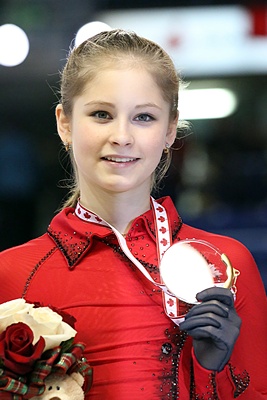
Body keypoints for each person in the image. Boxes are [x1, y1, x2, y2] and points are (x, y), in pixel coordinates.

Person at [0, 29, 266, 400]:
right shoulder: (11, 274)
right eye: (101, 114)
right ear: (65, 123)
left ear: (170, 129)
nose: (122, 136)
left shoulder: (224, 267)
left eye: (143, 117)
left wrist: (209, 372)